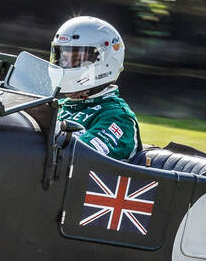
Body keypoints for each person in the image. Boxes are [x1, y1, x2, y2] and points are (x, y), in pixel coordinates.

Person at [50, 16, 140, 161]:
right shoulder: (58, 106)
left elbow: (79, 158)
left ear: (104, 61)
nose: (65, 67)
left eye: (76, 60)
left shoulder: (119, 117)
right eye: (63, 59)